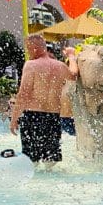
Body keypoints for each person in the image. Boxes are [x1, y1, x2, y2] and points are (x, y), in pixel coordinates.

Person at [9, 35, 70, 165]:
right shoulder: (61, 66)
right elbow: (74, 76)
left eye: (28, 49)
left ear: (35, 49)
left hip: (33, 116)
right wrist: (73, 57)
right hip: (53, 117)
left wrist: (14, 118)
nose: (28, 52)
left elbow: (23, 93)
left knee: (31, 161)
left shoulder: (31, 65)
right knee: (51, 161)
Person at [58, 46, 78, 136]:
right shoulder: (66, 79)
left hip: (64, 118)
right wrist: (71, 55)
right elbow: (73, 73)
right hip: (69, 119)